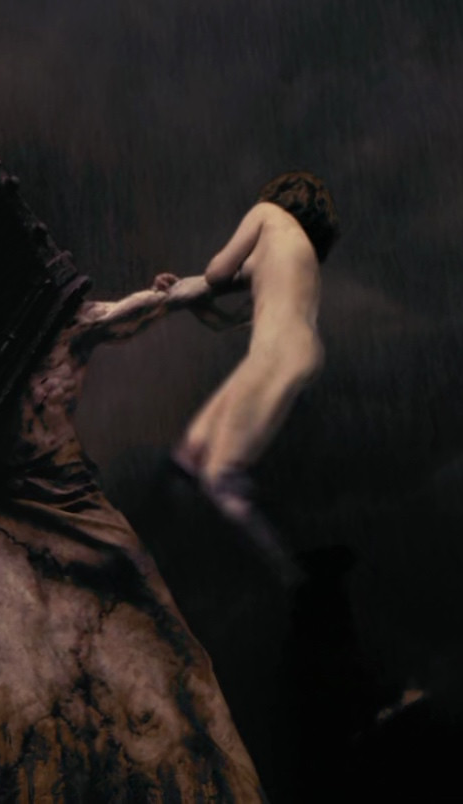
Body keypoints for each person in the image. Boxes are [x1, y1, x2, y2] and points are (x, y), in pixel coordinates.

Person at [0, 277, 265, 803]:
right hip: (8, 509)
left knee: (147, 632)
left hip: (73, 499)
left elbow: (147, 307)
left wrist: (210, 287)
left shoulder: (70, 324)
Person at [158, 171, 340, 588]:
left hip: (278, 352)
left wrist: (199, 284)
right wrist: (176, 293)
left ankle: (298, 582)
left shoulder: (268, 214)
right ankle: (165, 559)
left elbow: (216, 275)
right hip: (289, 351)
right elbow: (220, 316)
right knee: (190, 454)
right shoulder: (295, 258)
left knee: (220, 479)